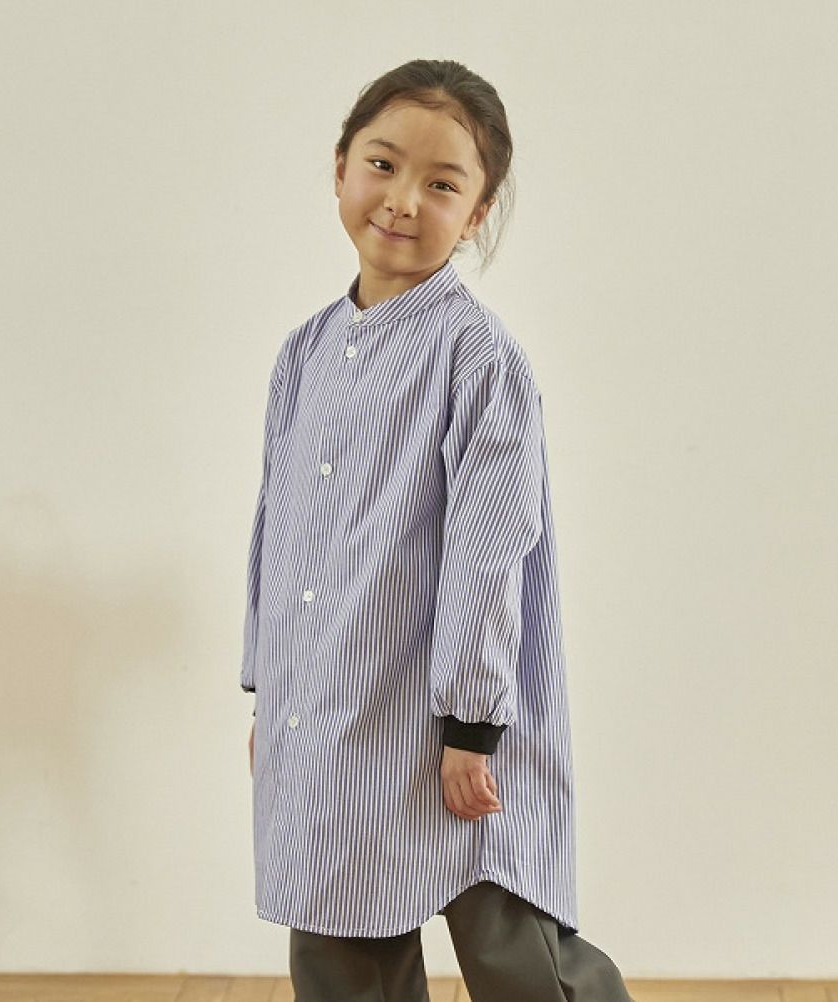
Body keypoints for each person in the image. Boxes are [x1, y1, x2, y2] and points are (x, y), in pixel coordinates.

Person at [240, 58, 635, 1002]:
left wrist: (472, 722)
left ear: (479, 212)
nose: (403, 199)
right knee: (339, 938)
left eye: (443, 183)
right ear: (341, 166)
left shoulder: (477, 357)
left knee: (514, 951)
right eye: (383, 164)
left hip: (453, 723)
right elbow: (276, 532)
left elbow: (491, 550)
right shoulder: (304, 353)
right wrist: (269, 686)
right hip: (330, 711)